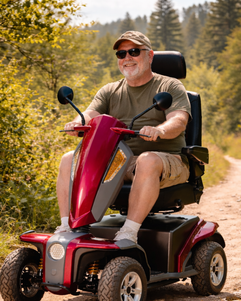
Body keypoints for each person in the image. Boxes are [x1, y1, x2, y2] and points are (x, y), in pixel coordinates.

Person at [55, 31, 191, 243]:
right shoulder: (110, 90)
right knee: (67, 159)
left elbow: (179, 120)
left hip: (167, 160)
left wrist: (160, 130)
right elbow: (90, 114)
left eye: (134, 51)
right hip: (121, 161)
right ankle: (68, 226)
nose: (127, 58)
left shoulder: (170, 86)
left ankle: (129, 232)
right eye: (121, 54)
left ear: (150, 56)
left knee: (147, 159)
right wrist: (77, 123)